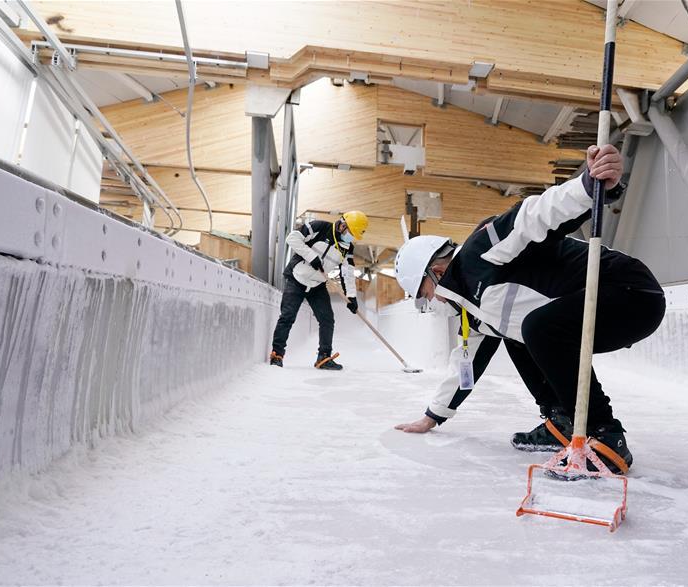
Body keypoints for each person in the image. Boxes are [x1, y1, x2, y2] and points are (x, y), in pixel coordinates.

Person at [392, 145, 665, 474]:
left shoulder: (480, 253)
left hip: (628, 292)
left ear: (434, 273)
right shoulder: (474, 313)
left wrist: (589, 186)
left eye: (424, 293)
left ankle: (605, 436)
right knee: (520, 331)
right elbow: (465, 368)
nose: (432, 303)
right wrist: (432, 416)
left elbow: (534, 216)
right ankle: (560, 422)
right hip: (595, 308)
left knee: (537, 327)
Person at [269, 211, 368, 370]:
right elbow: (292, 238)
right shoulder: (319, 227)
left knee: (327, 319)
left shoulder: (347, 248)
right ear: (343, 225)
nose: (351, 237)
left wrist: (352, 297)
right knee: (287, 316)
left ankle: (324, 357)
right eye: (351, 232)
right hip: (297, 278)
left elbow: (347, 273)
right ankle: (277, 354)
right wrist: (311, 257)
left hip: (317, 285)